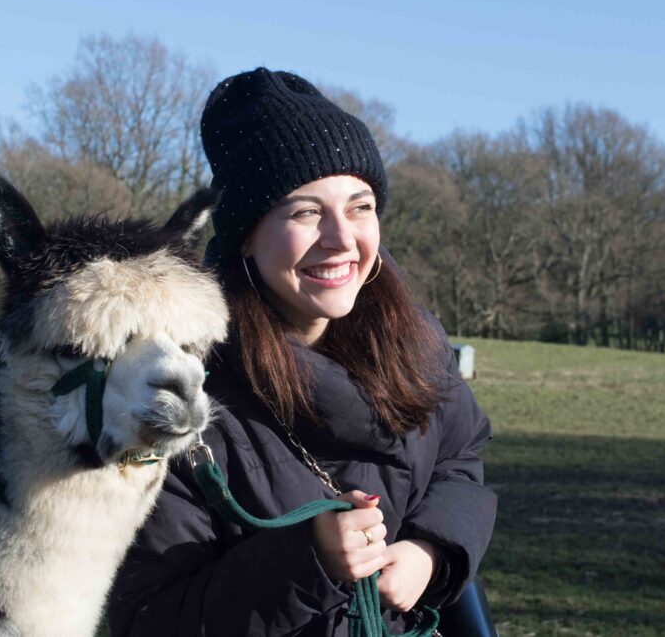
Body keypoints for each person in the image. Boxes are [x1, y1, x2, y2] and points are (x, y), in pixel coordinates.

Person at [107, 68, 496, 636]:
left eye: (360, 207)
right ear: (245, 234)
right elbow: (149, 619)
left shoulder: (416, 340)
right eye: (305, 212)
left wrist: (431, 550)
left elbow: (461, 458)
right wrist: (307, 561)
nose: (342, 238)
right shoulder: (179, 398)